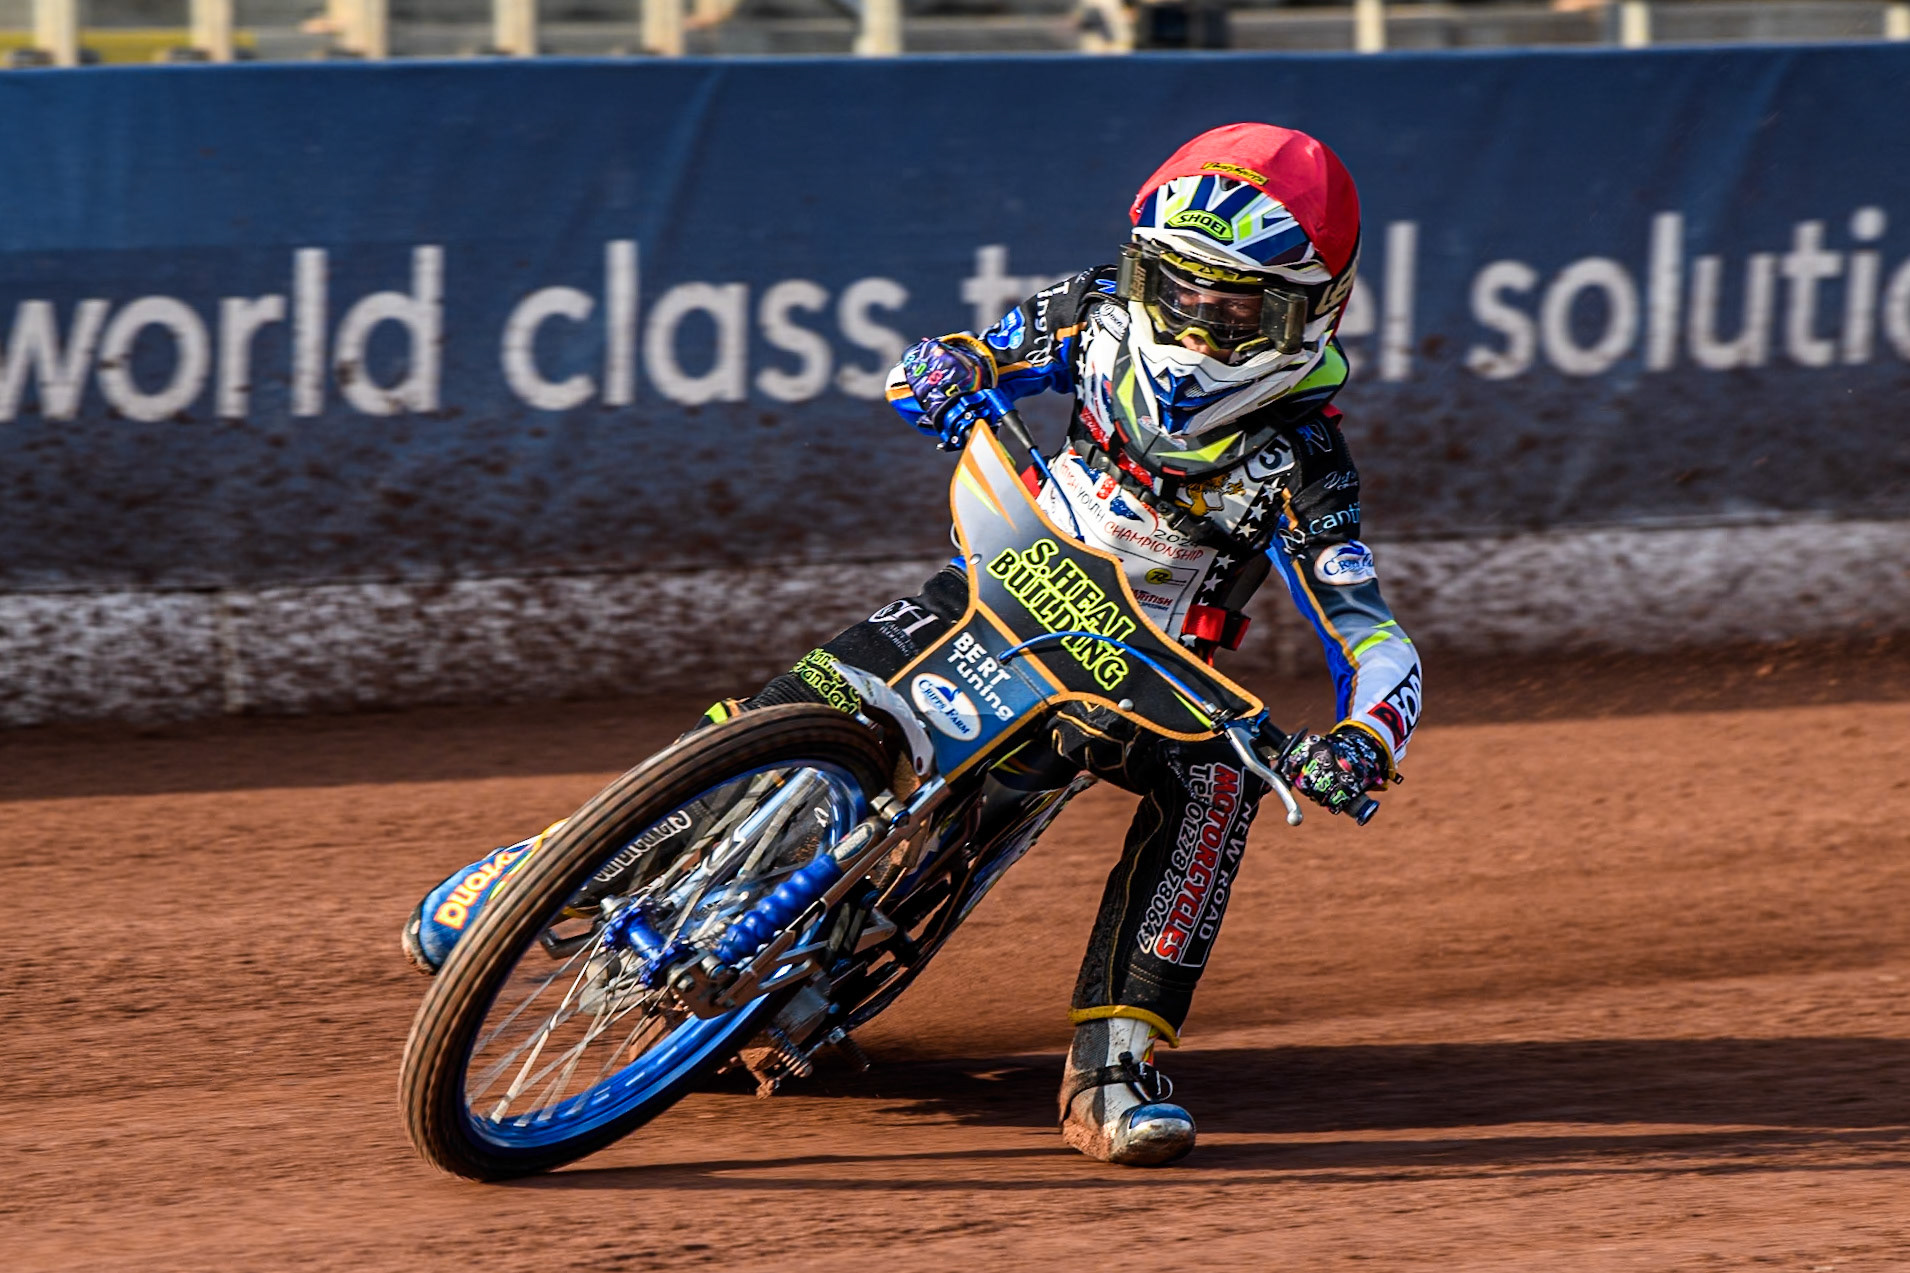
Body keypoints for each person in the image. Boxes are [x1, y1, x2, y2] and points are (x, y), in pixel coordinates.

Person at [403, 122, 1422, 1168]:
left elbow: (1371, 631)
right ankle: (555, 865)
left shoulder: (1306, 462)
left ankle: (1113, 1063)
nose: (1196, 322)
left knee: (1216, 783)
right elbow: (964, 356)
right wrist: (944, 367)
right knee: (795, 705)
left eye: (1235, 306)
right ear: (1137, 270)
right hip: (996, 581)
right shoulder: (1092, 313)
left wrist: (1362, 739)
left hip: (1137, 678)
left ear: (1310, 311)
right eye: (1176, 287)